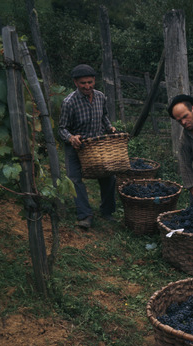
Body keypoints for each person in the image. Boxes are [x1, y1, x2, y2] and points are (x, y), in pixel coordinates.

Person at [58, 64, 116, 228]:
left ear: (94, 81)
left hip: (96, 146)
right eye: (83, 83)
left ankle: (107, 211)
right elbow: (62, 128)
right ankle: (85, 215)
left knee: (109, 176)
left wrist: (110, 127)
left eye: (90, 82)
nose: (87, 86)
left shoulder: (100, 97)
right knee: (75, 178)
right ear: (75, 82)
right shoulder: (69, 102)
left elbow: (104, 117)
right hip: (76, 146)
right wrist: (71, 138)